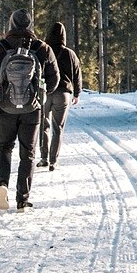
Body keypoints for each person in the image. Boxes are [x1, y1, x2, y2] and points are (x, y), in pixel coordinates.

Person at [0, 9, 59, 212]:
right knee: (28, 153)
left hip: (4, 108)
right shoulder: (42, 48)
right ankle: (22, 198)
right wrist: (40, 94)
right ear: (30, 25)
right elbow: (55, 78)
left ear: (10, 25)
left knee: (3, 147)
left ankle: (2, 185)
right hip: (32, 109)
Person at [37, 21, 82, 171]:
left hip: (46, 92)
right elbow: (77, 75)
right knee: (58, 127)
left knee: (44, 125)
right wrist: (77, 93)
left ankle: (43, 157)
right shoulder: (70, 54)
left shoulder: (43, 50)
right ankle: (53, 161)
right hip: (63, 94)